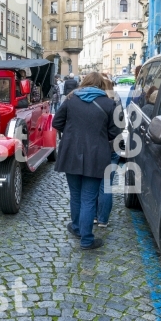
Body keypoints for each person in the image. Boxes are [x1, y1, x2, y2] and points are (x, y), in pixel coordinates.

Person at [52, 72, 122, 250]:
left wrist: (72, 132)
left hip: (71, 153)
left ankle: (77, 228)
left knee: (75, 195)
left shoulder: (71, 99)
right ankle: (86, 239)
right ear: (101, 86)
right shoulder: (108, 103)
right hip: (96, 155)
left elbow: (56, 122)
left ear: (84, 83)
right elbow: (115, 131)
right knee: (89, 198)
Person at [95, 76, 123, 227]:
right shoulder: (116, 101)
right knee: (106, 184)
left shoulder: (97, 102)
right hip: (114, 146)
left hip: (99, 146)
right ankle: (103, 219)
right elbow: (122, 124)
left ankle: (93, 216)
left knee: (92, 182)